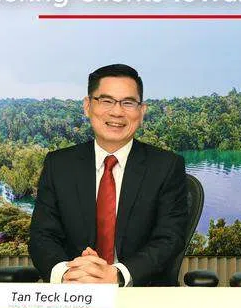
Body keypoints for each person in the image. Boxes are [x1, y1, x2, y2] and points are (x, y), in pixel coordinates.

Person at [29, 64, 189, 286]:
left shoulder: (166, 166)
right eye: (106, 101)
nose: (117, 112)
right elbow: (42, 236)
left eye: (128, 103)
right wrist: (67, 274)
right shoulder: (59, 165)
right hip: (73, 291)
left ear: (142, 111)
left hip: (141, 292)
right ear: (87, 106)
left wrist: (116, 275)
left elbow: (169, 239)